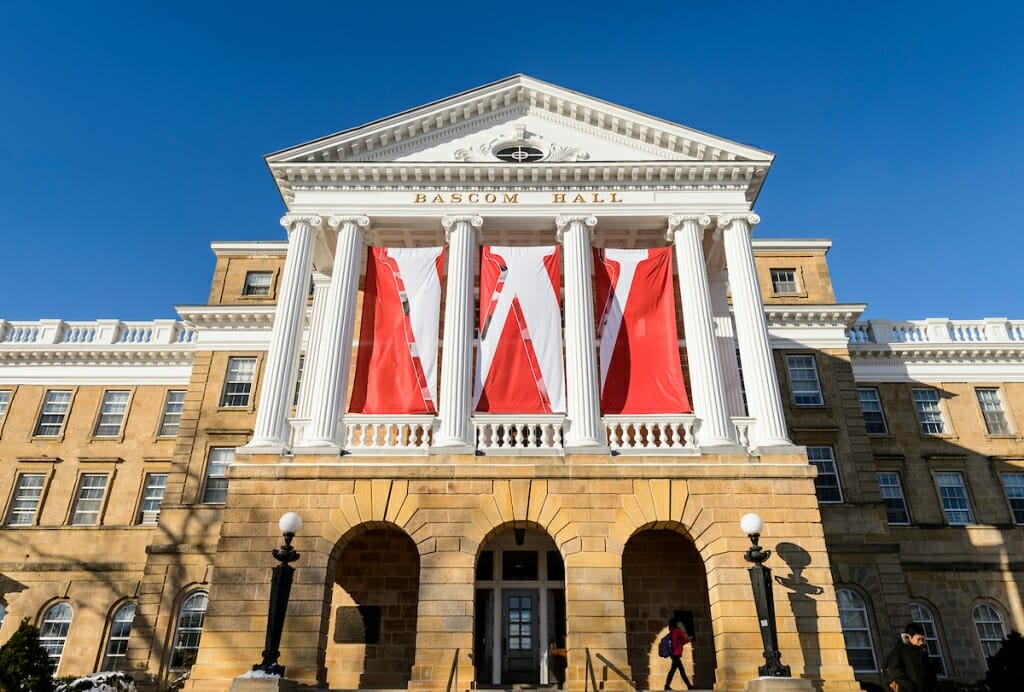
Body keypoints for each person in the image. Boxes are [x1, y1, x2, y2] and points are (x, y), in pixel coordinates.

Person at [884, 622, 937, 692]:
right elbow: (895, 673)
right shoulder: (898, 652)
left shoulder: (922, 652)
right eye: (919, 639)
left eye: (922, 639)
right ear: (908, 637)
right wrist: (910, 688)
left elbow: (931, 674)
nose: (921, 642)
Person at [664, 618, 692, 690]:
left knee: (673, 670)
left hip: (673, 654)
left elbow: (674, 642)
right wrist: (688, 639)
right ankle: (689, 685)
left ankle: (667, 685)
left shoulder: (672, 631)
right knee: (681, 670)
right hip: (676, 653)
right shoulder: (677, 631)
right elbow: (684, 639)